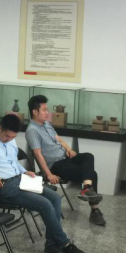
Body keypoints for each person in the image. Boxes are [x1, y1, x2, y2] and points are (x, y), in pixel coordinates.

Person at [0, 114, 91, 253]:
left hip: (20, 179)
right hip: (5, 187)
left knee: (55, 198)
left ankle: (51, 246)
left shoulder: (10, 139)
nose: (9, 139)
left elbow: (12, 161)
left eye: (13, 137)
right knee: (45, 204)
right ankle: (65, 244)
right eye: (6, 136)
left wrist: (24, 171)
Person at [26, 95, 106, 226]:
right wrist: (49, 174)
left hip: (66, 157)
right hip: (55, 165)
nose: (47, 113)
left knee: (88, 156)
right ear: (35, 112)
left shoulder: (46, 124)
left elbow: (59, 139)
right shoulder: (32, 130)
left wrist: (69, 149)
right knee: (92, 174)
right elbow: (37, 154)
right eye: (44, 110)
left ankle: (86, 188)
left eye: (47, 109)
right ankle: (95, 210)